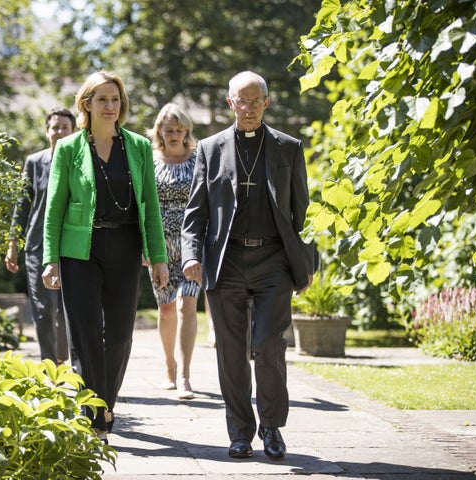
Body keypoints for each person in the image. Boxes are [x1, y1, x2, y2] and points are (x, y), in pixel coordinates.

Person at [181, 71, 314, 461]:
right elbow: (195, 212)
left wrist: (304, 265)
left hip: (274, 260)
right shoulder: (209, 148)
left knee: (268, 344)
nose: (249, 108)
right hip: (227, 261)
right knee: (231, 351)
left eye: (256, 101)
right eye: (242, 100)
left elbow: (303, 213)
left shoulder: (288, 148)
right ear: (230, 103)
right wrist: (191, 255)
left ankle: (271, 427)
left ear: (267, 103)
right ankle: (240, 433)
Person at [41, 71, 169, 444]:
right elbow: (54, 209)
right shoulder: (69, 148)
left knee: (118, 336)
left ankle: (104, 402)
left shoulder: (139, 147)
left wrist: (157, 257)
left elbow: (151, 206)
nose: (110, 106)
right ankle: (94, 414)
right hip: (79, 251)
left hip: (126, 247)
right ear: (87, 105)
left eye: (115, 99)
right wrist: (51, 259)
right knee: (84, 336)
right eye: (102, 100)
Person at [5, 107, 76, 365]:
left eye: (64, 127)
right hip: (37, 245)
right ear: (47, 132)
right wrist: (13, 244)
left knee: (66, 309)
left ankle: (62, 357)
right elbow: (21, 204)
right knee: (44, 309)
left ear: (73, 131)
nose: (59, 132)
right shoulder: (34, 163)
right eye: (54, 127)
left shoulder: (80, 161)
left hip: (71, 245)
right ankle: (49, 366)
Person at [145, 103, 200, 400]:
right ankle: (169, 366)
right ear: (160, 132)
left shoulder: (198, 159)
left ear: (187, 131)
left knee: (186, 305)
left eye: (180, 130)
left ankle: (184, 376)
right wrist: (145, 248)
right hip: (160, 244)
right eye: (169, 130)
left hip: (192, 242)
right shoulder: (150, 160)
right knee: (166, 309)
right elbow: (142, 205)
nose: (175, 135)